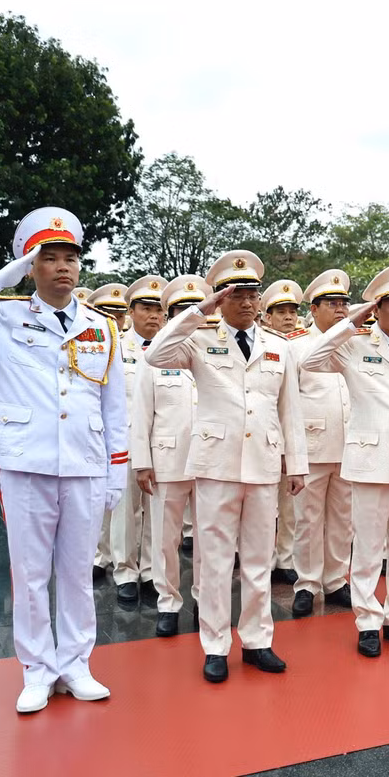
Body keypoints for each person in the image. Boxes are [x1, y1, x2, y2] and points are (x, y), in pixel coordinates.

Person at [0, 206, 126, 712]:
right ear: (30, 267)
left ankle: (76, 664)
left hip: (83, 462)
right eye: (47, 258)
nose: (62, 268)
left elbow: (114, 406)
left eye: (70, 259)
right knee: (30, 573)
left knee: (76, 573)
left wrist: (115, 470)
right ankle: (37, 669)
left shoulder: (102, 327)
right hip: (25, 461)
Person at [146, 250, 307, 683]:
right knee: (215, 561)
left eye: (252, 294)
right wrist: (199, 311)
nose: (247, 302)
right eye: (235, 294)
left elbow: (288, 409)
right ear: (220, 298)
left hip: (263, 464)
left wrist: (297, 464)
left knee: (258, 560)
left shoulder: (279, 347)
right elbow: (156, 354)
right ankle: (215, 645)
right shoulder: (199, 338)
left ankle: (256, 641)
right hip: (216, 464)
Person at [301, 265, 389, 657]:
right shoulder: (354, 344)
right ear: (376, 310)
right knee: (367, 546)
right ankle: (367, 620)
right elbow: (311, 360)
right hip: (370, 460)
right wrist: (351, 321)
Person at [133, 275, 210, 636]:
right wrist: (142, 462)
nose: (188, 318)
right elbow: (141, 414)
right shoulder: (155, 358)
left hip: (211, 461)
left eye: (195, 311)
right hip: (168, 460)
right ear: (170, 316)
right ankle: (168, 601)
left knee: (210, 538)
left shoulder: (215, 353)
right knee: (166, 539)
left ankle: (205, 599)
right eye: (180, 311)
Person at [284, 271, 355, 617]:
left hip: (351, 446)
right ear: (314, 308)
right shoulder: (296, 345)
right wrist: (291, 454)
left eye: (344, 303)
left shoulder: (356, 341)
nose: (341, 310)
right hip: (312, 447)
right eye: (333, 304)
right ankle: (307, 583)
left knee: (343, 518)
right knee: (308, 520)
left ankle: (337, 579)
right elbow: (289, 404)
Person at [110, 275, 166, 603]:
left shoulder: (174, 345)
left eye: (159, 309)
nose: (154, 315)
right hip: (126, 440)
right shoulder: (116, 346)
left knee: (157, 511)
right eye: (146, 308)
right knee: (125, 510)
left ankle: (151, 570)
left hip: (163, 442)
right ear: (131, 311)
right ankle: (125, 571)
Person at [258, 279, 304, 587]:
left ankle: (285, 557)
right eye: (281, 312)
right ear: (267, 316)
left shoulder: (302, 345)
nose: (288, 317)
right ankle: (257, 556)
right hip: (260, 435)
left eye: (292, 311)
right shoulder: (262, 343)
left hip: (296, 433)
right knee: (259, 507)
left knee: (290, 505)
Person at [89, 282, 129, 579]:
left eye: (119, 313)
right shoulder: (94, 345)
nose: (115, 319)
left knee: (126, 510)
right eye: (107, 313)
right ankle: (98, 555)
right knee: (101, 505)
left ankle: (122, 559)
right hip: (96, 433)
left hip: (126, 434)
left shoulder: (129, 345)